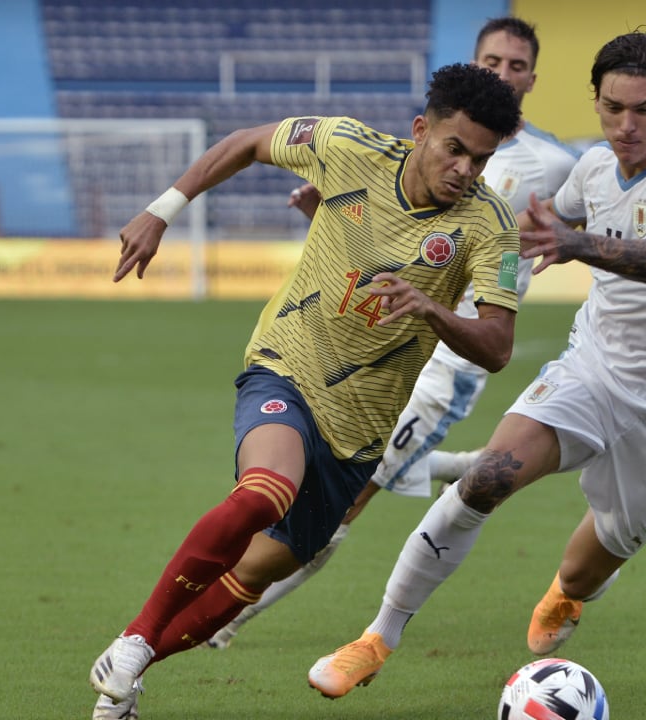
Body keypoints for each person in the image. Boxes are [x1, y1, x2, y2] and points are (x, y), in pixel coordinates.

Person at [306, 26, 646, 699]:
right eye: (612, 108)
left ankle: (571, 591)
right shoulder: (594, 169)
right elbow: (517, 234)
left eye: (644, 110)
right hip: (593, 372)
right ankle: (378, 637)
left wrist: (576, 242)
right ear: (595, 102)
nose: (626, 126)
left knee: (585, 570)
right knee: (485, 479)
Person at [87, 62, 523, 720]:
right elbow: (243, 143)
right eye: (454, 148)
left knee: (249, 580)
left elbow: (497, 346)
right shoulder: (346, 145)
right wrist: (161, 210)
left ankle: (131, 669)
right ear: (420, 130)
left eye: (480, 160)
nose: (465, 169)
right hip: (285, 366)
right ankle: (133, 641)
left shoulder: (489, 226)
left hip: (360, 438)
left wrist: (432, 310)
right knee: (266, 490)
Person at [204, 16, 580, 652]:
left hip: (449, 363)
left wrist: (569, 246)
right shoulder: (430, 143)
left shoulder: (558, 162)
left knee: (345, 505)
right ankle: (464, 465)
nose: (503, 74)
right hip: (375, 340)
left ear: (533, 80)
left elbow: (579, 232)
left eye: (517, 66)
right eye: (493, 61)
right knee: (342, 478)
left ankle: (233, 616)